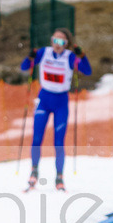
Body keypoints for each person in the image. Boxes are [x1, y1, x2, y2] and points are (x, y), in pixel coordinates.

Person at [20, 28, 91, 191]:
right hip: (44, 99)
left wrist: (82, 55)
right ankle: (34, 172)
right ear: (51, 40)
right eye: (55, 40)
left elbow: (87, 70)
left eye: (62, 42)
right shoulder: (43, 53)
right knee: (36, 138)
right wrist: (30, 56)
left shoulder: (70, 57)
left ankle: (59, 177)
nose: (58, 45)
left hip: (61, 102)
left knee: (58, 142)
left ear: (67, 44)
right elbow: (25, 67)